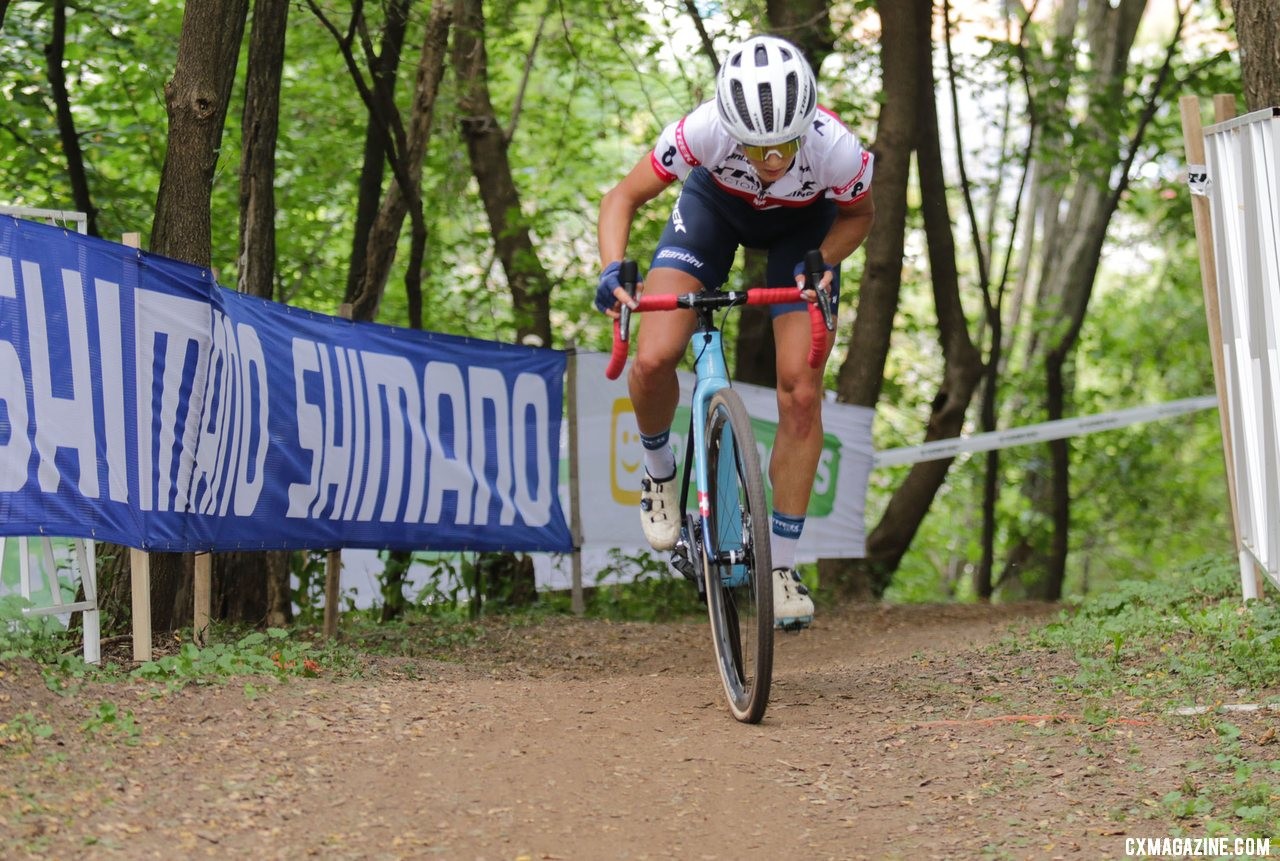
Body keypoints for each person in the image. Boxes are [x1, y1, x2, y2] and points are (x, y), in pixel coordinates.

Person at [595, 34, 874, 629]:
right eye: (756, 148)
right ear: (729, 127)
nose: (772, 163)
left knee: (800, 392)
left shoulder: (837, 151)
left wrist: (823, 259)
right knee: (653, 358)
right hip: (713, 215)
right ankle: (660, 473)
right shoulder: (702, 131)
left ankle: (781, 567)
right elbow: (621, 197)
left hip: (805, 233)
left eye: (784, 147)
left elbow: (860, 215)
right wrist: (613, 268)